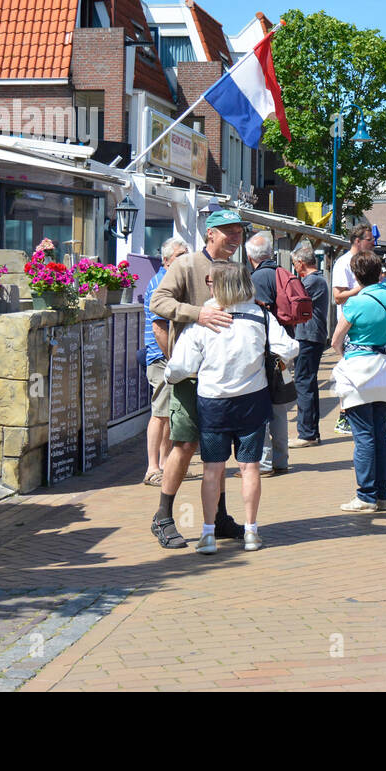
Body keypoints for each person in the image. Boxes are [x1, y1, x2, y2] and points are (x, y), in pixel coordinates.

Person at [165, 261, 299, 553]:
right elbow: (290, 348)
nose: (208, 286)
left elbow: (180, 366)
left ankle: (208, 534)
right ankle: (251, 532)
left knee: (213, 469)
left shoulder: (205, 319)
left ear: (220, 285)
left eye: (211, 282)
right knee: (250, 467)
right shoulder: (261, 316)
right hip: (252, 400)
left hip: (213, 402)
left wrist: (170, 375)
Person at [147, 208, 246, 549]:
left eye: (239, 232)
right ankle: (162, 516)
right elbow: (158, 302)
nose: (236, 237)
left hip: (224, 374)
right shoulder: (186, 265)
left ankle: (218, 518)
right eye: (229, 231)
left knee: (216, 451)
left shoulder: (235, 270)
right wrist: (196, 314)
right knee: (185, 445)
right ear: (211, 234)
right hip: (190, 374)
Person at [331, 250, 386, 513]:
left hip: (358, 376)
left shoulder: (354, 303)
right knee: (381, 435)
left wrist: (351, 357)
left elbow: (335, 341)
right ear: (380, 273)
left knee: (363, 436)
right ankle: (382, 495)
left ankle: (365, 496)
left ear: (355, 275)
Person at [245, 231, 293, 475]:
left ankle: (263, 463)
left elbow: (260, 317)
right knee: (279, 406)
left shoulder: (258, 278)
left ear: (250, 256)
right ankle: (281, 460)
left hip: (266, 352)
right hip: (284, 349)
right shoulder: (281, 272)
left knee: (262, 408)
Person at [142, 237, 188, 486]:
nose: (185, 258)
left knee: (170, 413)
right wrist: (172, 358)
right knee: (160, 413)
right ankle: (152, 467)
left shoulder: (174, 279)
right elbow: (159, 326)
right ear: (167, 260)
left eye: (186, 253)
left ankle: (167, 464)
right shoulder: (162, 282)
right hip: (162, 357)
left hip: (171, 356)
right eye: (180, 255)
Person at [331, 223, 376, 433]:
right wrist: (361, 289)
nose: (373, 242)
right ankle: (344, 417)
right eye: (369, 239)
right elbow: (338, 297)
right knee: (348, 372)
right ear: (357, 241)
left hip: (366, 325)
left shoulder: (368, 262)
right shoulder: (343, 264)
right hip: (349, 326)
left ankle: (360, 413)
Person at [289, 244, 329, 447]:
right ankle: (311, 432)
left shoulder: (312, 281)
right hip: (312, 336)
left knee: (304, 383)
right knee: (309, 383)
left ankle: (307, 433)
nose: (294, 267)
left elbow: (291, 299)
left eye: (295, 263)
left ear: (300, 263)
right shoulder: (318, 280)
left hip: (308, 336)